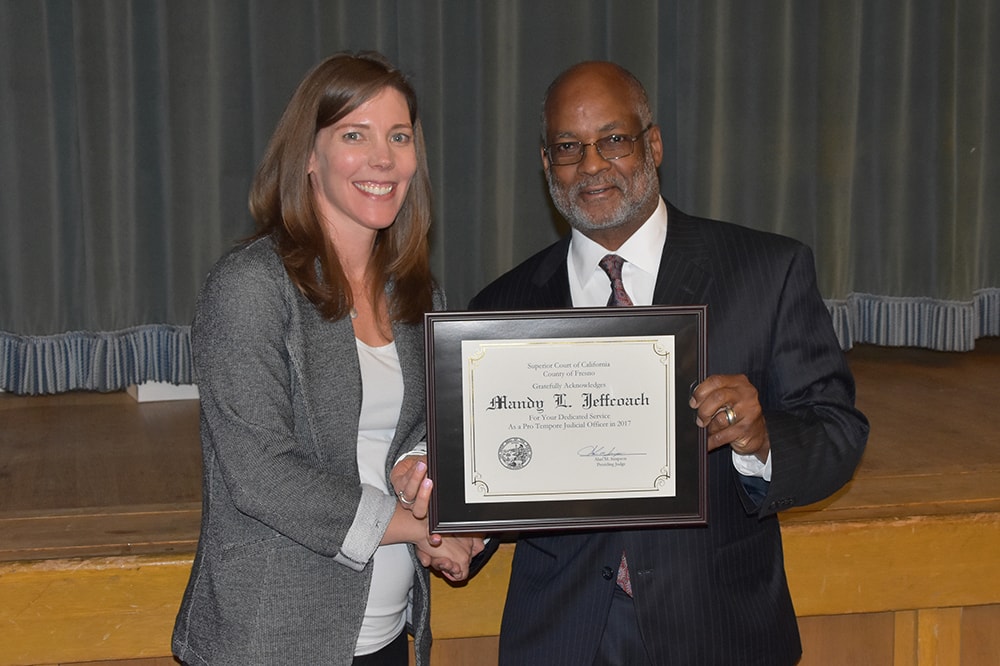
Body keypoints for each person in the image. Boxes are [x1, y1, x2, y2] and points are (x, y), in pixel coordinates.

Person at [467, 61, 870, 665]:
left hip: (719, 631)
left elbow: (838, 434)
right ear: (547, 164)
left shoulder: (767, 270)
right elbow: (494, 474)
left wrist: (761, 443)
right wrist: (460, 522)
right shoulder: (502, 306)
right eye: (569, 148)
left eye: (614, 139)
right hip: (562, 640)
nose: (593, 164)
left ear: (652, 144)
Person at [171, 51, 482, 666]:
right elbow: (262, 475)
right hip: (272, 640)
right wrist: (423, 526)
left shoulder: (419, 293)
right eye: (353, 135)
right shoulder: (251, 287)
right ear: (308, 157)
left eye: (398, 136)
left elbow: (419, 432)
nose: (382, 159)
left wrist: (426, 476)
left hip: (390, 633)